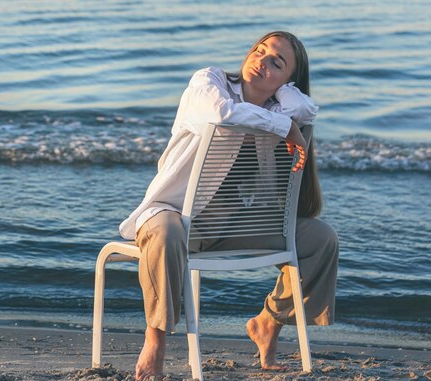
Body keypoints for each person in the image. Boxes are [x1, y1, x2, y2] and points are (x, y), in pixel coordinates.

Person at [118, 31, 339, 380]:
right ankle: (155, 339)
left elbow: (308, 108)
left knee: (320, 239)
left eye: (275, 63)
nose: (261, 61)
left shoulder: (280, 105)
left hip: (241, 227)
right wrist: (284, 126)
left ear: (288, 82)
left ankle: (268, 323)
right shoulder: (209, 82)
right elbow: (222, 113)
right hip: (175, 217)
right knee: (164, 231)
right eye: (259, 50)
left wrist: (282, 100)